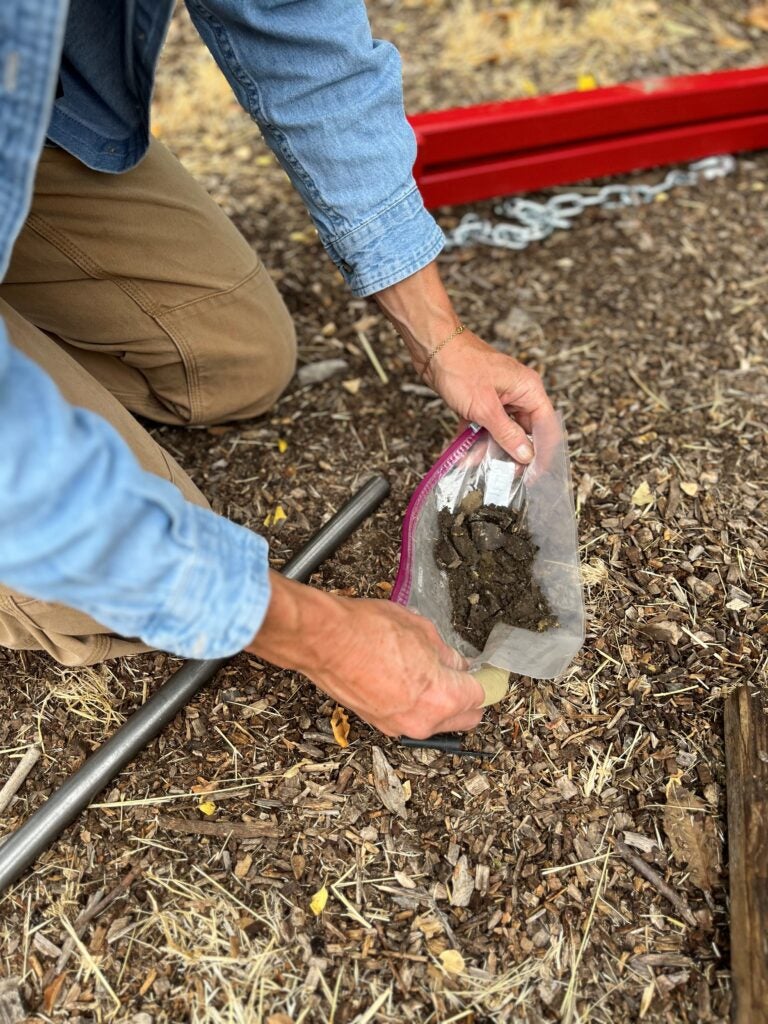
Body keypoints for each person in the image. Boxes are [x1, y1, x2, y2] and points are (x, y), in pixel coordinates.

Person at [0, 1, 554, 740]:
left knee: (232, 361)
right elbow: (38, 493)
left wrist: (439, 335)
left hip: (21, 114)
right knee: (117, 568)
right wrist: (325, 637)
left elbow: (297, 29)